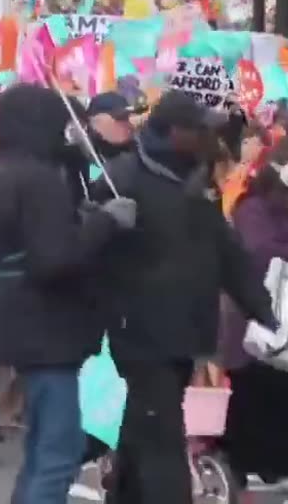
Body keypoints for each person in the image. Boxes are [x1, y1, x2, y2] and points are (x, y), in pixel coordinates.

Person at [92, 91, 283, 504]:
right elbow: (83, 243)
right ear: (174, 131)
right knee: (163, 438)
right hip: (141, 332)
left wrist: (263, 309)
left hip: (189, 331)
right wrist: (107, 224)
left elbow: (226, 249)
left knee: (145, 425)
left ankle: (123, 495)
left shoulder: (198, 181)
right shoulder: (123, 177)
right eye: (197, 129)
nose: (206, 137)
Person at [0, 84, 137, 504]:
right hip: (48, 328)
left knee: (41, 450)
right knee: (57, 455)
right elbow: (54, 259)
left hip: (13, 321)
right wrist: (105, 224)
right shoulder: (37, 179)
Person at [221, 140, 288, 498]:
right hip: (253, 319)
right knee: (253, 393)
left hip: (282, 319)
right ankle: (249, 465)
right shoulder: (253, 207)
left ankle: (275, 463)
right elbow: (259, 249)